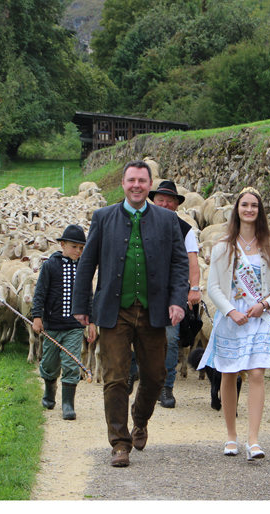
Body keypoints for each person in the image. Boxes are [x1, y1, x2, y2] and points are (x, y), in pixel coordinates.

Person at [72, 160, 189, 468]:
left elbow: (179, 264)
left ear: (149, 185)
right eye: (131, 180)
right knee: (114, 378)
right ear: (123, 184)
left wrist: (177, 300)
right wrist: (82, 307)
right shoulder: (103, 217)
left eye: (142, 180)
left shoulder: (167, 219)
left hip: (153, 312)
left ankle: (140, 418)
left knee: (154, 376)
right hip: (114, 311)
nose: (136, 185)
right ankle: (119, 443)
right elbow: (87, 265)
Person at [198, 187, 270, 461]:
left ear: (260, 211)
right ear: (237, 209)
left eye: (254, 206)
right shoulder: (224, 246)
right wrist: (229, 311)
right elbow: (213, 287)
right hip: (231, 318)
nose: (249, 209)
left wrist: (265, 304)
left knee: (257, 374)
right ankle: (231, 436)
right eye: (244, 205)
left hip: (259, 318)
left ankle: (254, 440)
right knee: (229, 374)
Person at [31, 224, 96, 419]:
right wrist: (37, 316)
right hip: (52, 324)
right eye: (74, 247)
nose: (78, 251)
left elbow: (89, 296)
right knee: (50, 364)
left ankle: (68, 404)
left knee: (71, 363)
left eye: (81, 248)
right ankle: (49, 394)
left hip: (75, 327)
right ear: (62, 245)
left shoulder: (84, 267)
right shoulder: (50, 265)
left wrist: (91, 321)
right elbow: (40, 293)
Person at [148, 180, 203, 408]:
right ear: (154, 200)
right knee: (141, 338)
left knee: (170, 340)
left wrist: (194, 288)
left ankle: (166, 387)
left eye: (170, 200)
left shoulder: (185, 230)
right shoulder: (141, 223)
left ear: (177, 204)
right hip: (144, 292)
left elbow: (193, 261)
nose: (165, 203)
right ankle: (142, 379)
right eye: (161, 199)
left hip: (173, 294)